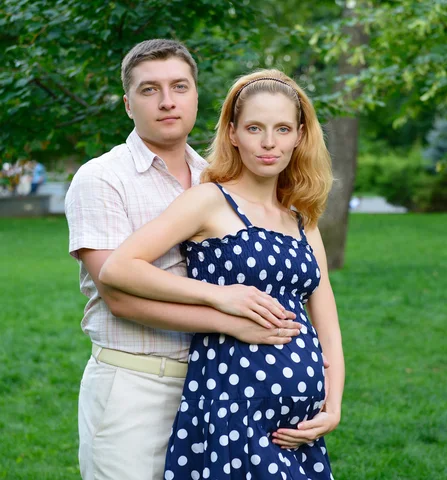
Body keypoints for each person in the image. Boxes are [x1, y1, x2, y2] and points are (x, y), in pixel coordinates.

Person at [65, 40, 305, 480]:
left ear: (197, 96)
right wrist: (224, 311)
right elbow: (118, 297)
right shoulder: (101, 178)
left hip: (217, 388)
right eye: (149, 90)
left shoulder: (219, 178)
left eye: (179, 86)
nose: (167, 101)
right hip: (135, 383)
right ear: (127, 104)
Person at [99, 69, 345, 479]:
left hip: (298, 428)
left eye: (282, 129)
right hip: (233, 408)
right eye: (254, 128)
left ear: (300, 136)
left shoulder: (302, 218)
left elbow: (327, 323)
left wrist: (333, 405)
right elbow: (118, 268)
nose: (269, 142)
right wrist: (218, 296)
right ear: (233, 133)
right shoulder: (209, 201)